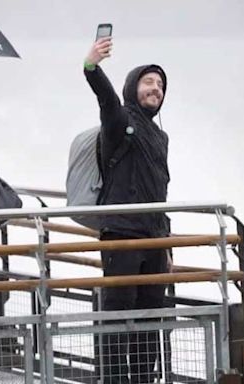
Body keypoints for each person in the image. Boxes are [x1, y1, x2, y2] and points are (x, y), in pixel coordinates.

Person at [84, 37, 171, 383]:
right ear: (133, 87)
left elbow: (160, 189)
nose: (156, 89)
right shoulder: (119, 121)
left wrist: (166, 240)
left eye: (161, 85)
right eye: (149, 82)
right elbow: (105, 97)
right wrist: (91, 66)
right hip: (121, 232)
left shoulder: (160, 136)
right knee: (117, 316)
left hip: (153, 237)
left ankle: (142, 380)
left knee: (150, 317)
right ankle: (114, 380)